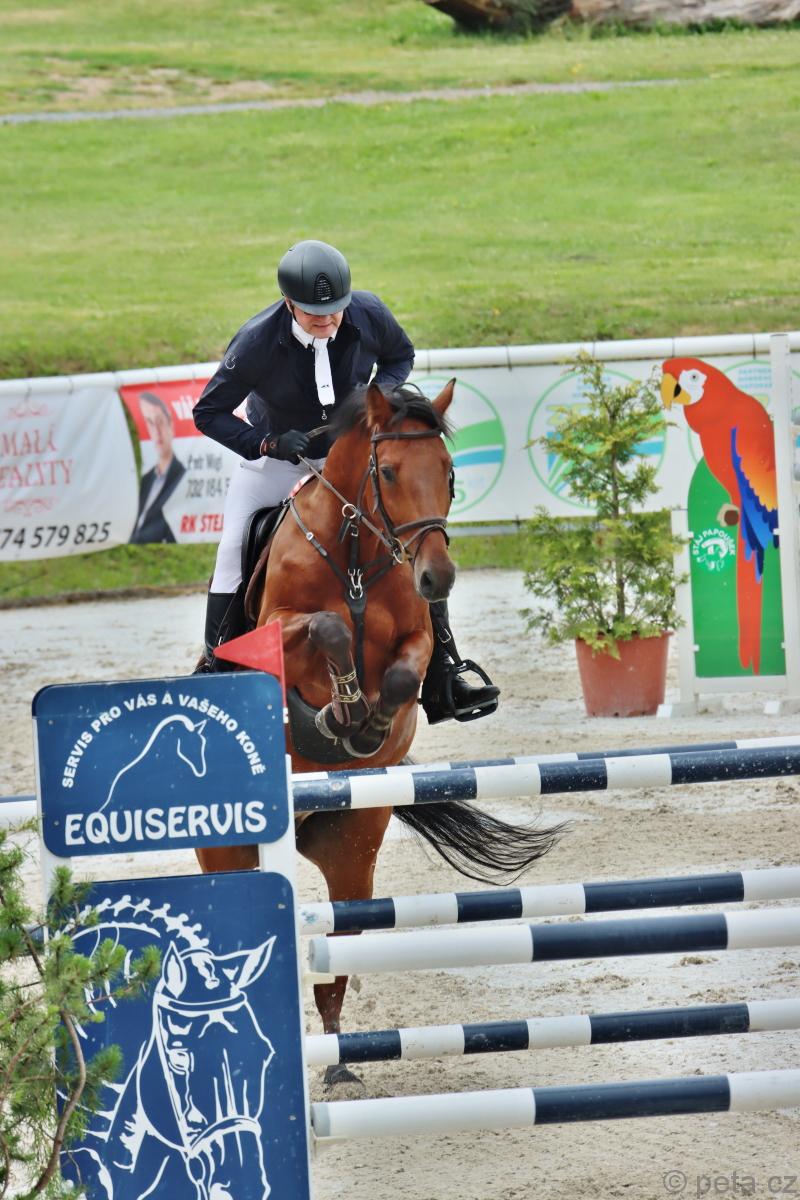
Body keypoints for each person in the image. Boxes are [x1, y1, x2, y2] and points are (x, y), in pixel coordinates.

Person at [192, 239, 498, 723]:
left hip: (350, 454)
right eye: (315, 314)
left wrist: (376, 402)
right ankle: (217, 669)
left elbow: (400, 355)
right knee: (233, 548)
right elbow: (207, 413)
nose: (328, 320)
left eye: (335, 310)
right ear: (289, 303)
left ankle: (445, 668)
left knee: (409, 535)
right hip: (278, 459)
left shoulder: (368, 313)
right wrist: (267, 443)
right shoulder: (256, 342)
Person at [130, 392, 186, 544]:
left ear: (170, 424)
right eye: (150, 423)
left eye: (160, 421)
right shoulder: (146, 480)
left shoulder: (182, 476)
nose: (156, 430)